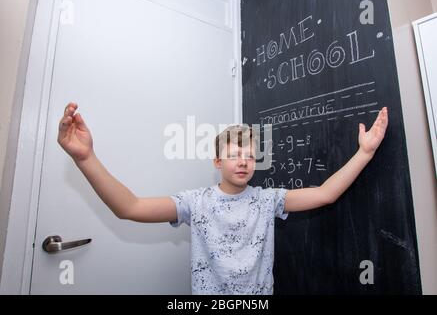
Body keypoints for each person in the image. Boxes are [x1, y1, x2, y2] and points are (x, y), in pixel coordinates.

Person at [57, 102, 389, 294]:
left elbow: (325, 194)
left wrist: (364, 153)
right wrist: (85, 159)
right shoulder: (195, 203)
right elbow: (129, 207)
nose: (244, 160)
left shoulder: (267, 200)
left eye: (249, 154)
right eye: (234, 154)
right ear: (218, 163)